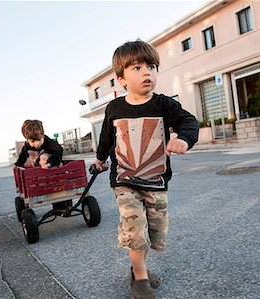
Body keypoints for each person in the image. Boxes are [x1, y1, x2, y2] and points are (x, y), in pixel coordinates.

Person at [94, 40, 199, 299]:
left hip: (156, 181)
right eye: (137, 67)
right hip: (125, 180)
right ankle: (140, 279)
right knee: (134, 228)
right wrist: (99, 158)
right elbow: (107, 138)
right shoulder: (115, 108)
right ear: (121, 78)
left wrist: (183, 139)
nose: (147, 72)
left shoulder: (163, 104)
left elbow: (189, 121)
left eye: (152, 66)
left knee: (153, 231)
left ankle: (139, 268)